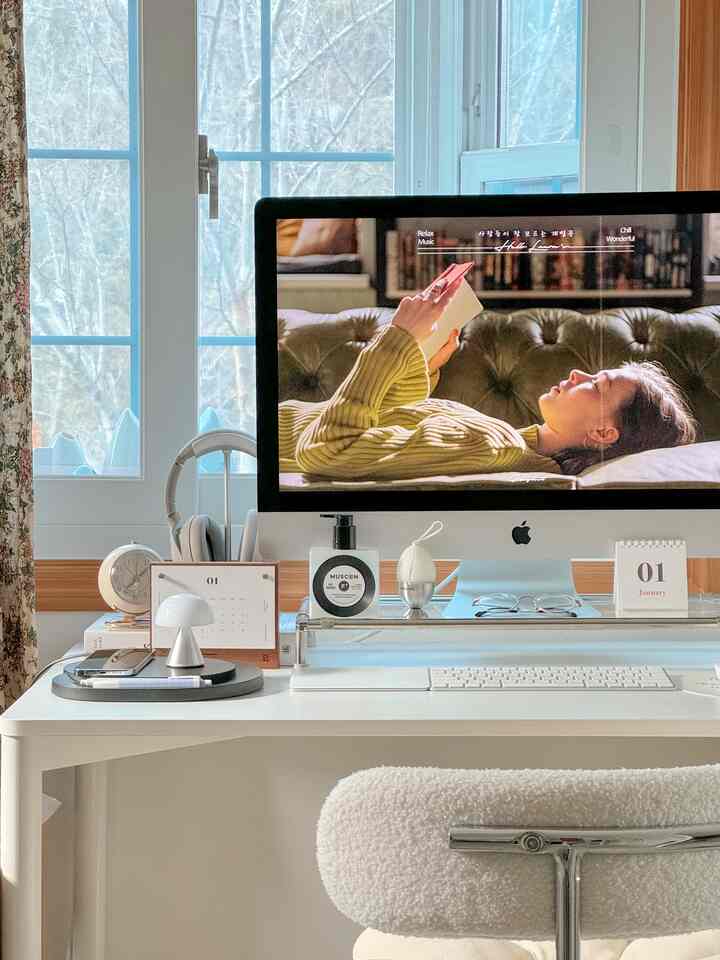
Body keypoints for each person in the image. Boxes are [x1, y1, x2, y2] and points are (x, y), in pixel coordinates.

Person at [279, 273, 696, 481]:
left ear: (604, 434)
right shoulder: (504, 439)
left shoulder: (493, 445)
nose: (576, 372)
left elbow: (325, 451)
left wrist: (397, 339)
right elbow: (387, 430)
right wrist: (419, 364)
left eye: (596, 384)